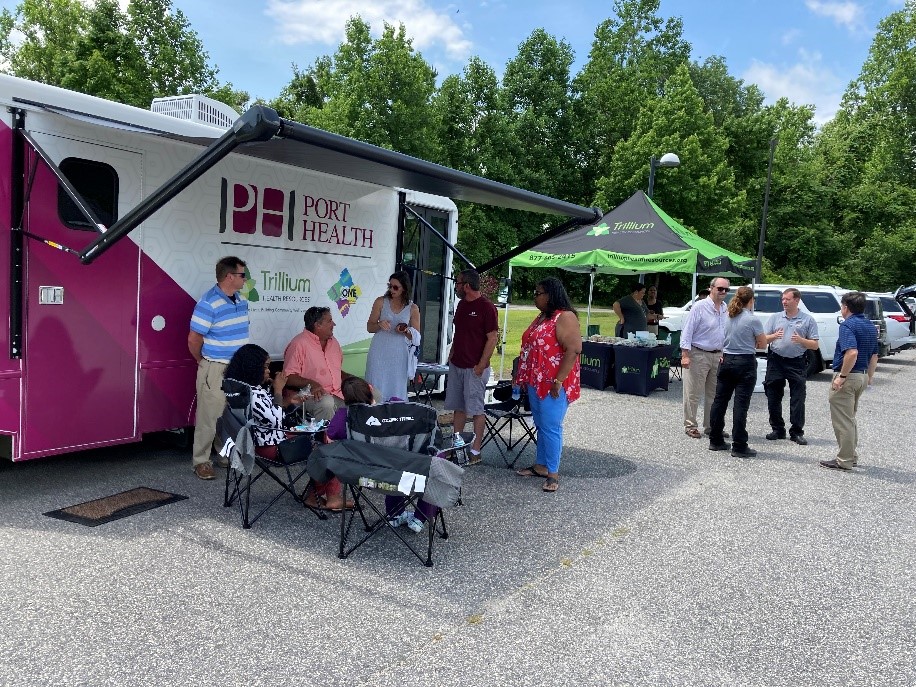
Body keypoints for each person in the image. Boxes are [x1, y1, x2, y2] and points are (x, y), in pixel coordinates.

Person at [226, 344, 348, 511]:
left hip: (254, 441)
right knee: (328, 446)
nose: (269, 371)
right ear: (253, 367)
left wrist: (290, 402)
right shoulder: (253, 394)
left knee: (321, 439)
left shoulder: (237, 388)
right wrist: (278, 389)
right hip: (272, 446)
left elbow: (269, 415)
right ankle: (323, 496)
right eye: (266, 367)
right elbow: (276, 420)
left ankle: (317, 495)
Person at [327, 377, 434, 531]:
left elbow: (332, 432)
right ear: (370, 390)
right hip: (407, 476)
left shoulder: (345, 417)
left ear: (345, 398)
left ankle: (395, 514)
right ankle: (420, 517)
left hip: (368, 477)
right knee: (431, 463)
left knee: (387, 460)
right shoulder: (395, 406)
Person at [514, 277, 582, 492]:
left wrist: (558, 380)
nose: (535, 297)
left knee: (551, 426)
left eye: (538, 293)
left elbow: (573, 349)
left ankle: (553, 473)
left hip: (554, 383)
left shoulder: (565, 317)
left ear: (550, 295)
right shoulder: (543, 317)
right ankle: (541, 466)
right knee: (541, 425)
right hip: (536, 380)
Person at [188, 256, 250, 480]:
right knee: (209, 416)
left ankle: (224, 454)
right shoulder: (208, 303)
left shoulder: (241, 300)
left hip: (236, 370)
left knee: (230, 415)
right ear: (229, 277)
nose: (245, 279)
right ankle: (201, 461)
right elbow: (194, 339)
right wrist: (203, 361)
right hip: (215, 368)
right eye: (242, 275)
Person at [445, 269, 499, 463]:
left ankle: (475, 451)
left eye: (458, 283)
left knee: (476, 409)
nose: (456, 287)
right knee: (458, 408)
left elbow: (492, 338)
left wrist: (481, 365)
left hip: (475, 367)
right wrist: (451, 354)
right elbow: (458, 332)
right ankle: (457, 446)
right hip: (457, 364)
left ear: (466, 286)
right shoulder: (460, 306)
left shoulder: (486, 307)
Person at [821, 291, 879, 471]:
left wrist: (842, 377)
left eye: (841, 306)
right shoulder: (870, 325)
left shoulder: (848, 326)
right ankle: (851, 456)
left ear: (846, 307)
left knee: (843, 421)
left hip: (848, 375)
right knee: (850, 418)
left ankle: (844, 460)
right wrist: (869, 377)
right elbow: (874, 355)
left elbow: (851, 352)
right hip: (862, 375)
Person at [708, 287, 767, 457]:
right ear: (751, 300)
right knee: (740, 405)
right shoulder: (752, 319)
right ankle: (739, 445)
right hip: (744, 361)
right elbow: (762, 344)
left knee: (719, 401)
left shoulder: (727, 315)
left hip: (726, 359)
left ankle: (716, 439)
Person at [763, 288, 820, 445]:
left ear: (796, 300)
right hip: (776, 360)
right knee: (773, 395)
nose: (784, 302)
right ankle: (777, 429)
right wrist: (773, 336)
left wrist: (802, 341)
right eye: (783, 299)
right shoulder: (775, 318)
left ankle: (796, 431)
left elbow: (814, 345)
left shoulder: (808, 320)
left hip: (796, 361)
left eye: (787, 299)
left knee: (798, 397)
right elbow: (763, 340)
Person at [282, 307, 358, 422]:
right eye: (329, 321)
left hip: (336, 392)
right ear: (318, 325)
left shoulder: (334, 342)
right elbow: (288, 378)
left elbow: (335, 371)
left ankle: (356, 437)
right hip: (308, 395)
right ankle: (325, 439)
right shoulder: (298, 344)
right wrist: (311, 383)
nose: (334, 324)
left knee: (368, 394)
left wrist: (354, 380)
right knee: (327, 403)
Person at [680, 277, 731, 439]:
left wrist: (724, 353)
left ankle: (712, 426)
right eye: (720, 288)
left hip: (718, 355)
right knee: (693, 392)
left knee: (714, 394)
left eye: (726, 290)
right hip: (698, 353)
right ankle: (690, 425)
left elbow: (727, 333)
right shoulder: (699, 307)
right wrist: (685, 355)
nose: (723, 292)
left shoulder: (725, 308)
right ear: (711, 288)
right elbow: (687, 331)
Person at [365, 271, 421, 402]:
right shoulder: (380, 302)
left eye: (395, 287)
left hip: (399, 353)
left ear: (404, 288)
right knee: (376, 384)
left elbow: (417, 336)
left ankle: (395, 416)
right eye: (389, 286)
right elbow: (369, 327)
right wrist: (379, 324)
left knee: (396, 386)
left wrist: (406, 331)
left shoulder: (413, 308)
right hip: (379, 350)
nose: (391, 289)